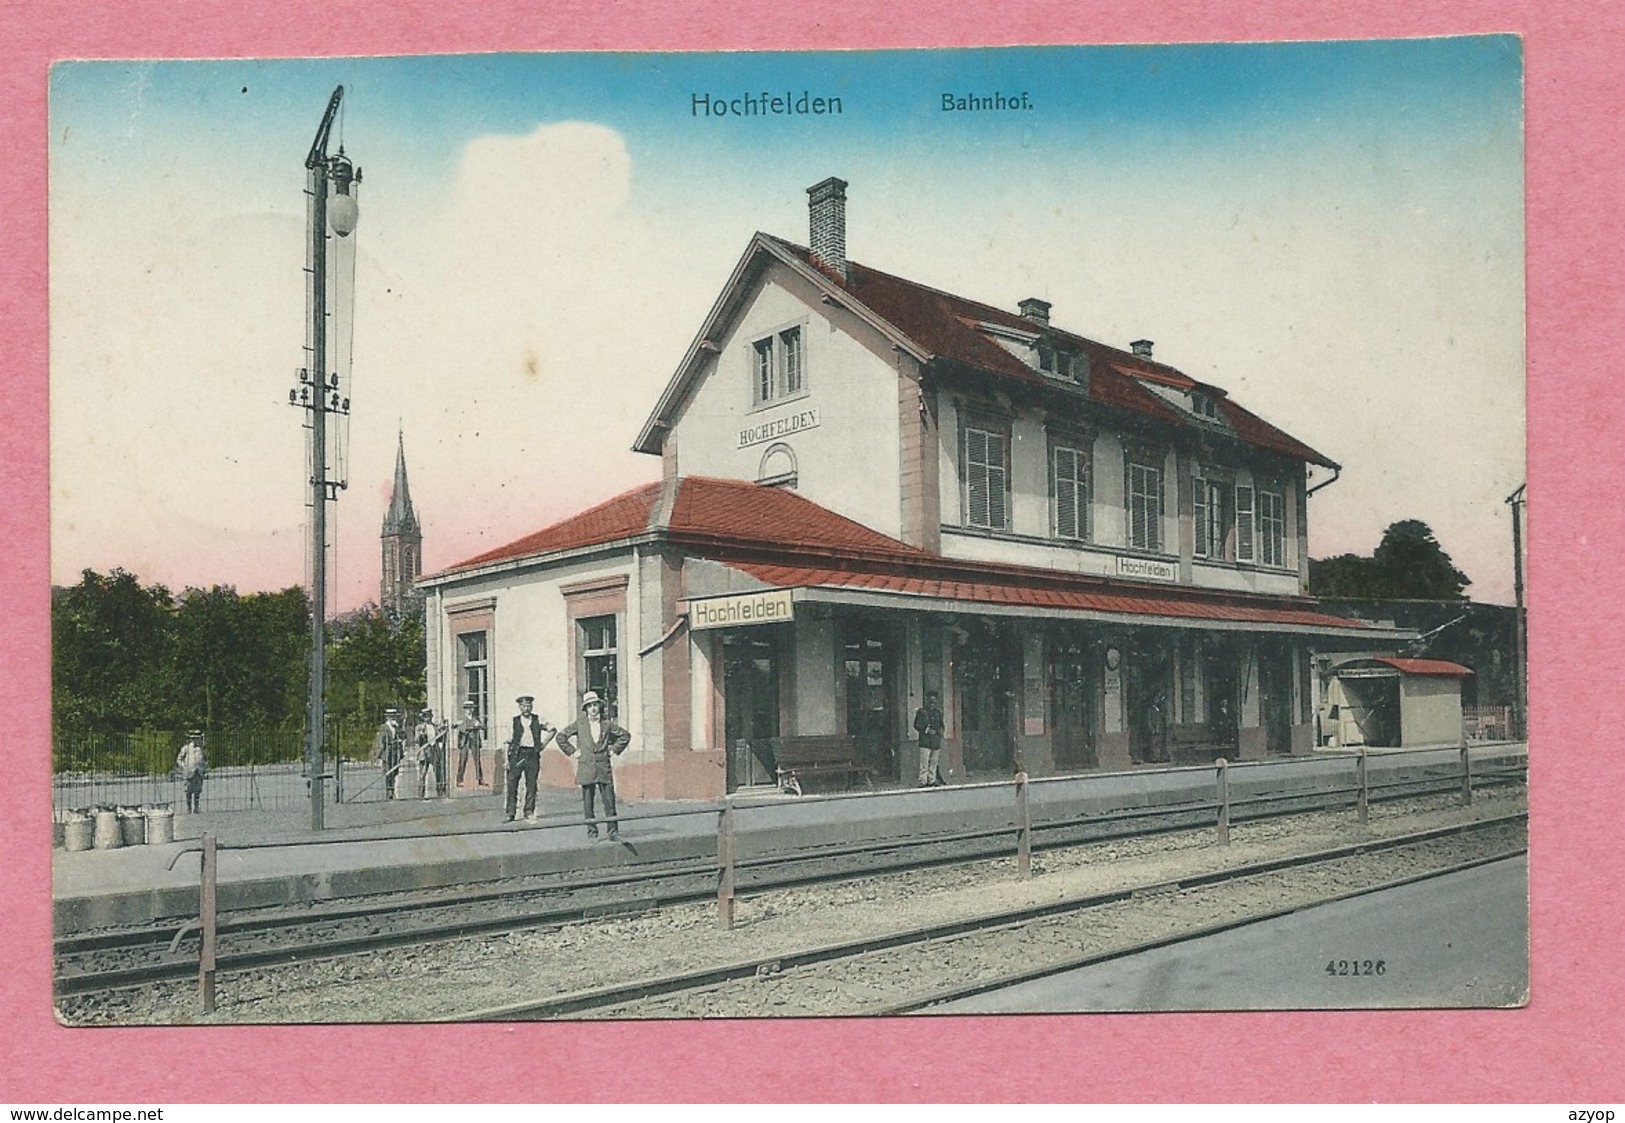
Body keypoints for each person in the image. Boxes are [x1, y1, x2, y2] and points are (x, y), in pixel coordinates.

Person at [555, 690, 631, 841]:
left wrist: (613, 750)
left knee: (609, 801)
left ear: (599, 706)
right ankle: (592, 832)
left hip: (603, 767)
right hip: (586, 767)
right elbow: (561, 737)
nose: (593, 709)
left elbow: (625, 735)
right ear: (586, 709)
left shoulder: (607, 724)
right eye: (590, 706)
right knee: (588, 803)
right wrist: (573, 752)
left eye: (595, 705)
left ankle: (613, 831)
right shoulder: (580, 724)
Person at [506, 695, 556, 822]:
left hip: (532, 754)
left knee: (531, 784)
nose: (526, 708)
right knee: (512, 783)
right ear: (519, 707)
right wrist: (507, 760)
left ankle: (529, 811)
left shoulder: (538, 719)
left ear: (532, 706)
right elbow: (507, 741)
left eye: (529, 705)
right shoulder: (514, 721)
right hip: (517, 754)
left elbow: (552, 729)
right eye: (523, 706)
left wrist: (543, 744)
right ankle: (511, 812)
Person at [913, 690, 946, 787]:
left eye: (934, 699)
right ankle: (923, 781)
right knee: (924, 763)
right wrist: (927, 730)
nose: (932, 702)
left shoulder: (938, 712)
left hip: (935, 741)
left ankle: (932, 779)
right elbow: (917, 725)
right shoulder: (922, 712)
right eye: (930, 699)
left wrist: (940, 731)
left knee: (933, 762)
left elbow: (941, 725)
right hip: (925, 741)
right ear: (926, 700)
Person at [372, 707, 405, 799]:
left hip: (396, 753)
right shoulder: (383, 727)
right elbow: (381, 742)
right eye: (391, 717)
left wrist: (398, 729)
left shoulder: (397, 727)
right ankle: (389, 791)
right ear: (387, 718)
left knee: (395, 773)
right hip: (387, 753)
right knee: (388, 773)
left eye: (394, 716)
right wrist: (378, 756)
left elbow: (403, 736)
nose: (393, 718)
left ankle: (393, 789)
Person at [454, 699, 487, 789]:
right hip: (464, 741)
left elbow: (484, 727)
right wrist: (456, 724)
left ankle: (480, 779)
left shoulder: (475, 718)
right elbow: (453, 726)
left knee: (477, 760)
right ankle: (459, 780)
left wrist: (479, 725)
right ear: (464, 710)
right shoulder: (461, 718)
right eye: (467, 709)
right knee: (462, 760)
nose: (469, 710)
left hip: (474, 740)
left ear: (473, 709)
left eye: (470, 708)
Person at [416, 708, 447, 797]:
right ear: (423, 718)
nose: (427, 719)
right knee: (422, 774)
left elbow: (440, 738)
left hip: (434, 751)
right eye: (425, 717)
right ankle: (421, 793)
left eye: (429, 716)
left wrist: (443, 731)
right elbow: (416, 740)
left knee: (438, 772)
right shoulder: (419, 728)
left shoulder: (435, 727)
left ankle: (440, 790)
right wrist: (421, 735)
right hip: (424, 752)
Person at [175, 730, 207, 813]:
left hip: (199, 772)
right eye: (194, 738)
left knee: (197, 790)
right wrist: (184, 766)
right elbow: (179, 759)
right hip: (189, 772)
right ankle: (188, 807)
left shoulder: (202, 748)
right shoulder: (186, 748)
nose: (196, 740)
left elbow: (206, 758)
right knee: (188, 790)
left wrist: (204, 767)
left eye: (198, 738)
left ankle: (196, 807)